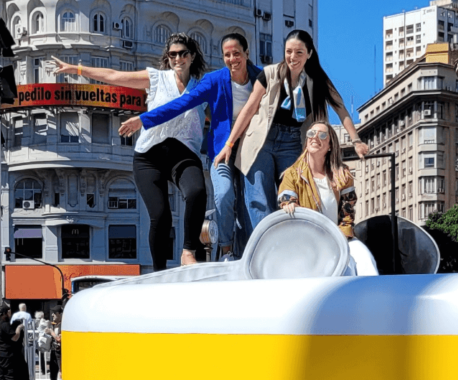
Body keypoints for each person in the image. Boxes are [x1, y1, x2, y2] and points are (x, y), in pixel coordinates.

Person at [53, 33, 209, 270]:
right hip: (150, 155)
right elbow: (116, 76)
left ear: (192, 56)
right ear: (168, 58)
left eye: (183, 53)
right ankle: (158, 271)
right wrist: (76, 69)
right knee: (161, 215)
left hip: (183, 153)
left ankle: (188, 251)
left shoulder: (202, 87)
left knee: (197, 191)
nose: (178, 58)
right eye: (173, 54)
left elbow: (221, 116)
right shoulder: (156, 78)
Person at [121, 32, 261, 260]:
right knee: (214, 198)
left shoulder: (253, 79)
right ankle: (224, 250)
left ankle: (252, 252)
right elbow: (179, 103)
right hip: (189, 152)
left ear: (247, 54)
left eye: (237, 53)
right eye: (227, 54)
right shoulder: (204, 80)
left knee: (246, 199)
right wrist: (144, 119)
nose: (232, 59)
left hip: (233, 150)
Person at [214, 30, 369, 231]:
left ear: (309, 54)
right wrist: (229, 144)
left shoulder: (317, 81)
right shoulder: (270, 74)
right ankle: (265, 251)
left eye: (299, 52)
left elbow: (341, 109)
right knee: (258, 200)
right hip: (262, 140)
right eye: (289, 52)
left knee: (295, 194)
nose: (292, 57)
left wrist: (356, 141)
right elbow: (249, 109)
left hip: (293, 142)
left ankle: (291, 243)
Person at [278, 120, 380, 276]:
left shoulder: (343, 174)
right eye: (311, 133)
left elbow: (347, 214)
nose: (315, 138)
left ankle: (372, 298)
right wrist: (289, 205)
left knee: (363, 259)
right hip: (307, 241)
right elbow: (287, 201)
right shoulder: (292, 174)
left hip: (337, 237)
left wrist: (340, 238)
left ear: (330, 145)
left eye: (322, 135)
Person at [42, 308, 62, 380]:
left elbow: (59, 339)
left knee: (62, 376)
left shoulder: (64, 325)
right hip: (53, 352)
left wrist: (51, 332)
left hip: (60, 353)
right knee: (52, 376)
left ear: (59, 314)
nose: (53, 316)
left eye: (54, 314)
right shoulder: (55, 325)